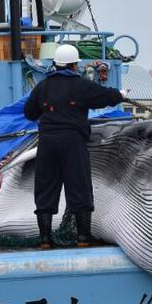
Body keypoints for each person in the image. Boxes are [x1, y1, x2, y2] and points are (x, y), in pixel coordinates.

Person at [24, 45, 126, 249]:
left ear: (56, 64)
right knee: (79, 186)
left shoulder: (43, 86)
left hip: (48, 142)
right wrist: (121, 95)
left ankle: (44, 239)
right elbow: (105, 96)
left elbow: (29, 112)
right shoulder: (81, 84)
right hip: (73, 142)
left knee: (45, 188)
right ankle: (83, 237)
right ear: (74, 65)